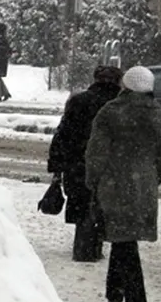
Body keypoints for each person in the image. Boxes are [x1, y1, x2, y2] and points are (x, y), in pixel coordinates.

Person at [85, 65, 161, 302]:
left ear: (126, 85)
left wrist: (94, 181)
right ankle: (114, 295)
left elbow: (96, 153)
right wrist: (150, 180)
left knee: (124, 243)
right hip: (144, 187)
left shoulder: (111, 113)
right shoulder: (159, 116)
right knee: (123, 239)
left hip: (114, 184)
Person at [47, 65, 123, 261]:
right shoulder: (120, 105)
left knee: (82, 206)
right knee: (102, 206)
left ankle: (83, 247)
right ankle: (95, 245)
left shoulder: (79, 101)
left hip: (77, 164)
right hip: (110, 167)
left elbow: (63, 134)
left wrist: (56, 165)